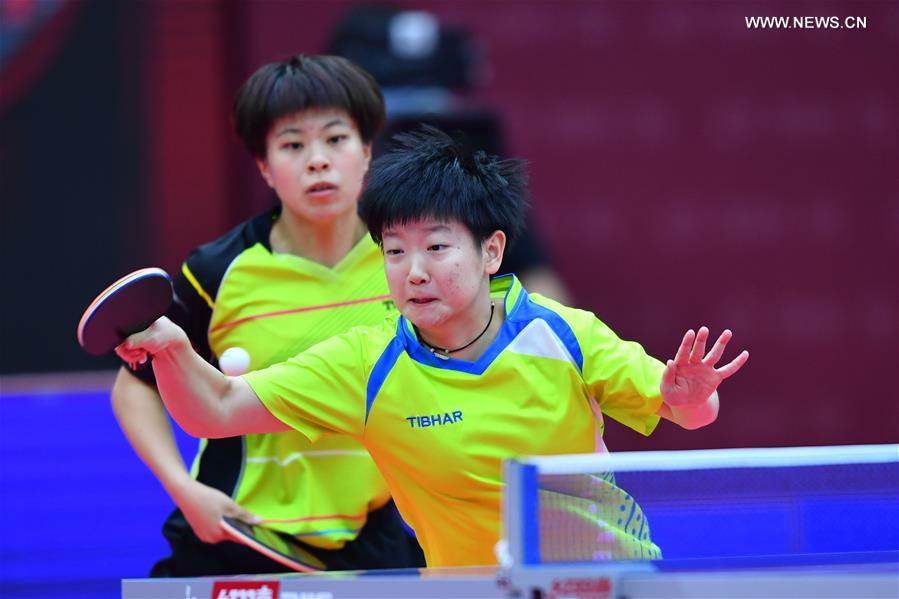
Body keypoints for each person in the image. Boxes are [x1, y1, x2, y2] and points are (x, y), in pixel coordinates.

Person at [116, 126, 749, 568]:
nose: (413, 271)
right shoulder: (365, 363)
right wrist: (172, 350)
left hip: (603, 581)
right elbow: (216, 409)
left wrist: (689, 398)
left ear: (491, 251)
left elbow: (689, 413)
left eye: (437, 247)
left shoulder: (564, 333)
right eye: (394, 251)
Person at [110, 54, 424, 576]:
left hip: (376, 536)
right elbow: (134, 386)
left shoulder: (410, 261)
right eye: (293, 145)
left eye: (336, 139)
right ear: (264, 166)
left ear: (367, 151)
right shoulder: (218, 270)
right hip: (237, 535)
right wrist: (184, 489)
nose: (317, 160)